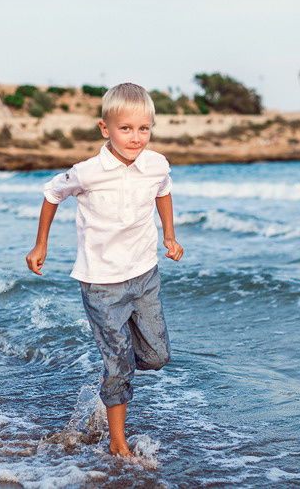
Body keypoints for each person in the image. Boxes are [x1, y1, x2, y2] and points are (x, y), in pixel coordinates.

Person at [26, 82, 184, 457]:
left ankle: (117, 373)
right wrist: (41, 244)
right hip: (100, 282)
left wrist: (170, 236)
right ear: (105, 129)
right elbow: (52, 194)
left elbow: (163, 190)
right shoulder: (88, 171)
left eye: (143, 128)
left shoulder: (156, 164)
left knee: (158, 357)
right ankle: (118, 440)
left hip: (144, 275)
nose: (135, 137)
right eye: (125, 128)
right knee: (119, 362)